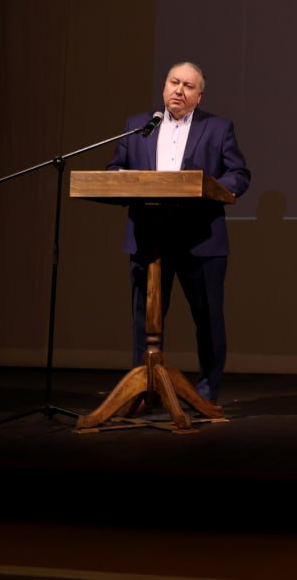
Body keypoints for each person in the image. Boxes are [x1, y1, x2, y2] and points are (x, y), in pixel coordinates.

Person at [107, 61, 251, 402]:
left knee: (207, 319)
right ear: (164, 87)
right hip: (148, 237)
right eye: (174, 82)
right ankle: (144, 391)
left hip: (200, 240)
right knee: (145, 321)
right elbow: (115, 169)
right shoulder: (139, 126)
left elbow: (239, 174)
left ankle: (206, 393)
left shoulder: (217, 128)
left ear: (199, 97)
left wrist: (210, 188)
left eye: (188, 86)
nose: (179, 90)